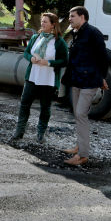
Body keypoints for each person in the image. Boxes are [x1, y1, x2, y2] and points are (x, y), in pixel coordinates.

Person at [10, 13, 68, 144]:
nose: (42, 24)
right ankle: (19, 133)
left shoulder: (59, 42)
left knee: (45, 107)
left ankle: (40, 134)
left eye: (45, 22)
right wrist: (30, 58)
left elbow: (65, 61)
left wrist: (48, 63)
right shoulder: (36, 37)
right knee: (25, 104)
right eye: (42, 21)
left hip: (48, 79)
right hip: (32, 77)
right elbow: (26, 52)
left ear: (53, 24)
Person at [61, 6, 109, 166]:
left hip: (89, 81)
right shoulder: (76, 33)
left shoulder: (94, 33)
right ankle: (80, 146)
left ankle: (83, 155)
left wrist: (102, 77)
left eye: (72, 16)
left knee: (81, 114)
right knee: (77, 113)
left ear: (82, 17)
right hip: (76, 80)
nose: (69, 19)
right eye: (69, 16)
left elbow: (103, 57)